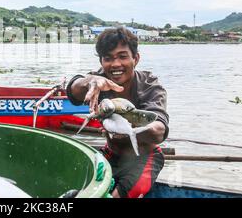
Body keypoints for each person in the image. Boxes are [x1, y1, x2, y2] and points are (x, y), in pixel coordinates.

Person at [66, 27, 169, 198]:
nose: (115, 64)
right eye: (108, 58)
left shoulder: (150, 86)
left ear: (135, 58)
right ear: (101, 61)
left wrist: (128, 132)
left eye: (122, 56)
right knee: (75, 188)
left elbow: (159, 130)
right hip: (110, 153)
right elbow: (73, 91)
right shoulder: (98, 81)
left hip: (143, 157)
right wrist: (90, 81)